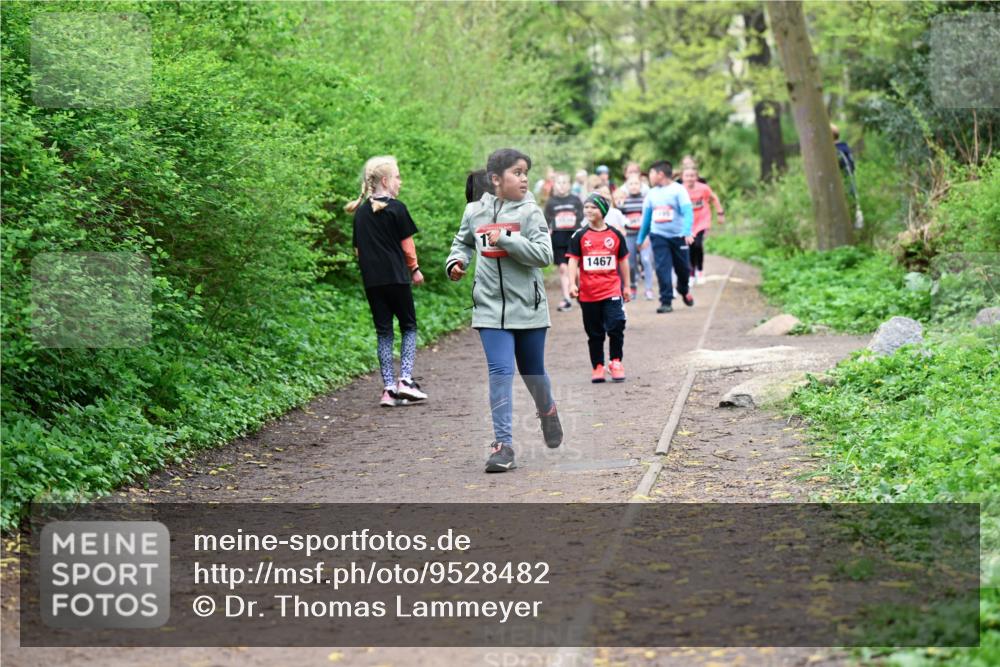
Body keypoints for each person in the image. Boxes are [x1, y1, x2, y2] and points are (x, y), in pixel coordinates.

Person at [446, 148, 563, 473]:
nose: (524, 178)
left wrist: (508, 241)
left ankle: (547, 410)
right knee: (500, 372)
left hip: (528, 308)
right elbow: (464, 242)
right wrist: (456, 262)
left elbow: (544, 255)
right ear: (496, 179)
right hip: (489, 308)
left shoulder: (530, 213)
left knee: (532, 372)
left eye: (526, 172)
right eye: (517, 172)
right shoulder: (474, 212)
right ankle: (503, 445)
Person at [348, 155, 428, 407]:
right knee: (409, 327)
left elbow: (358, 251)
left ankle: (389, 389)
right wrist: (414, 268)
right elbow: (407, 245)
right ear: (385, 180)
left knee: (384, 332)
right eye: (397, 177)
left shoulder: (360, 213)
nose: (400, 182)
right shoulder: (397, 208)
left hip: (373, 282)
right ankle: (405, 379)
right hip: (397, 278)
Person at [567, 193, 631, 383]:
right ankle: (598, 366)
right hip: (588, 293)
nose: (588, 210)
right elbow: (573, 260)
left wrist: (626, 286)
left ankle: (616, 361)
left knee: (617, 324)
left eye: (593, 207)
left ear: (603, 211)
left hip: (612, 289)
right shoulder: (579, 236)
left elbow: (624, 261)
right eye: (586, 207)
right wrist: (572, 283)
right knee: (594, 332)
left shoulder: (615, 235)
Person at [636, 160, 695, 313]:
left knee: (683, 269)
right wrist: (640, 239)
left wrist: (687, 231)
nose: (649, 177)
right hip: (659, 235)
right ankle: (666, 301)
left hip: (679, 236)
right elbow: (647, 219)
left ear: (660, 174)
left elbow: (688, 212)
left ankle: (683, 289)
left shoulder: (678, 190)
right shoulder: (652, 193)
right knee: (662, 268)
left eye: (651, 173)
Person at [544, 172, 585, 312]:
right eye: (559, 183)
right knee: (563, 268)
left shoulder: (575, 200)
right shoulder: (551, 202)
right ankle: (567, 298)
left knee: (577, 270)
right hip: (558, 238)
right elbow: (547, 219)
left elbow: (581, 216)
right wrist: (548, 229)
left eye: (564, 182)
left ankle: (579, 292)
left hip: (573, 237)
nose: (561, 185)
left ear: (569, 185)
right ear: (554, 185)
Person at [681, 166, 725, 285]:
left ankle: (700, 270)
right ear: (682, 177)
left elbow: (714, 198)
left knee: (698, 245)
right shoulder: (680, 190)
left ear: (696, 177)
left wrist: (720, 213)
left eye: (692, 176)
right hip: (688, 223)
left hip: (702, 220)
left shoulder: (704, 188)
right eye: (687, 176)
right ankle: (691, 273)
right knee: (690, 247)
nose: (690, 178)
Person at [619, 176, 656, 301]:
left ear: (641, 186)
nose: (634, 186)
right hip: (629, 236)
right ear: (627, 186)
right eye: (631, 184)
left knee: (646, 260)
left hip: (644, 235)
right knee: (631, 263)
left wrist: (646, 235)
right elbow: (620, 217)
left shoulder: (646, 200)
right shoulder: (624, 201)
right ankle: (633, 286)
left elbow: (650, 218)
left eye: (636, 183)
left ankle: (648, 289)